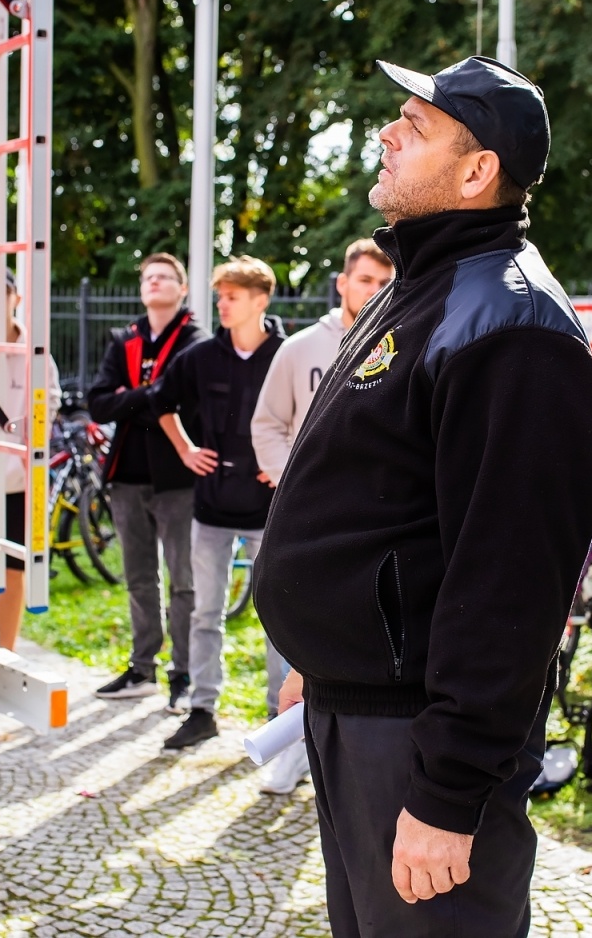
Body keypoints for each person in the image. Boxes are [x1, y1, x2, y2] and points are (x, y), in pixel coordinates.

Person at [254, 56, 592, 937]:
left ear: (476, 169)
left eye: (415, 126)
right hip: (356, 712)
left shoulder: (515, 327)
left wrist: (449, 793)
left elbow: (511, 590)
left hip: (417, 740)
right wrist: (320, 653)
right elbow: (379, 505)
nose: (386, 132)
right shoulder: (425, 286)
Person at [248, 237, 393, 795]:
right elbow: (266, 423)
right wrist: (296, 487)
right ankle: (286, 738)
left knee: (354, 631)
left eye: (384, 282)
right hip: (305, 521)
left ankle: (338, 748)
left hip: (374, 523)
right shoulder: (302, 348)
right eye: (365, 281)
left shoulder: (401, 341)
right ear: (342, 283)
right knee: (288, 626)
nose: (375, 292)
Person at [150, 256, 287, 750]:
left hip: (269, 511)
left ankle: (279, 718)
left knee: (278, 618)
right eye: (219, 296)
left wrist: (283, 462)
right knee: (205, 613)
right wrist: (186, 448)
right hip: (209, 510)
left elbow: (316, 417)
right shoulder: (201, 357)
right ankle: (202, 708)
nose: (222, 305)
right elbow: (159, 402)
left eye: (232, 296)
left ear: (259, 300)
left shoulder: (286, 355)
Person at [86, 254, 207, 710]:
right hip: (127, 476)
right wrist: (152, 398)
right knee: (138, 577)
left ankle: (184, 672)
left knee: (184, 581)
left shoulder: (195, 341)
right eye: (148, 277)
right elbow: (99, 403)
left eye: (164, 277)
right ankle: (142, 667)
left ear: (182, 288)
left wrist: (130, 400)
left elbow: (186, 403)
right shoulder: (125, 340)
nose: (154, 283)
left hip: (177, 476)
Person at [0, 269, 61, 652]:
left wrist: (35, 438)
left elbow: (49, 400)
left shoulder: (36, 351)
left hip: (16, 476)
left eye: (2, 294)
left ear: (15, 298)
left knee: (14, 566)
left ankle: (6, 650)